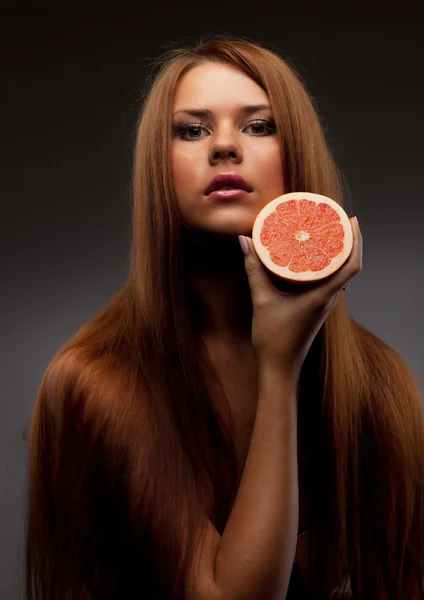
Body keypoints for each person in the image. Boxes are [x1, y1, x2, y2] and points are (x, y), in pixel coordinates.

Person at [24, 34, 424, 600]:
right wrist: (280, 368)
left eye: (260, 125)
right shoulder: (97, 383)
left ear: (300, 154)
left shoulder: (379, 389)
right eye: (192, 129)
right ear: (157, 169)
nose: (225, 147)